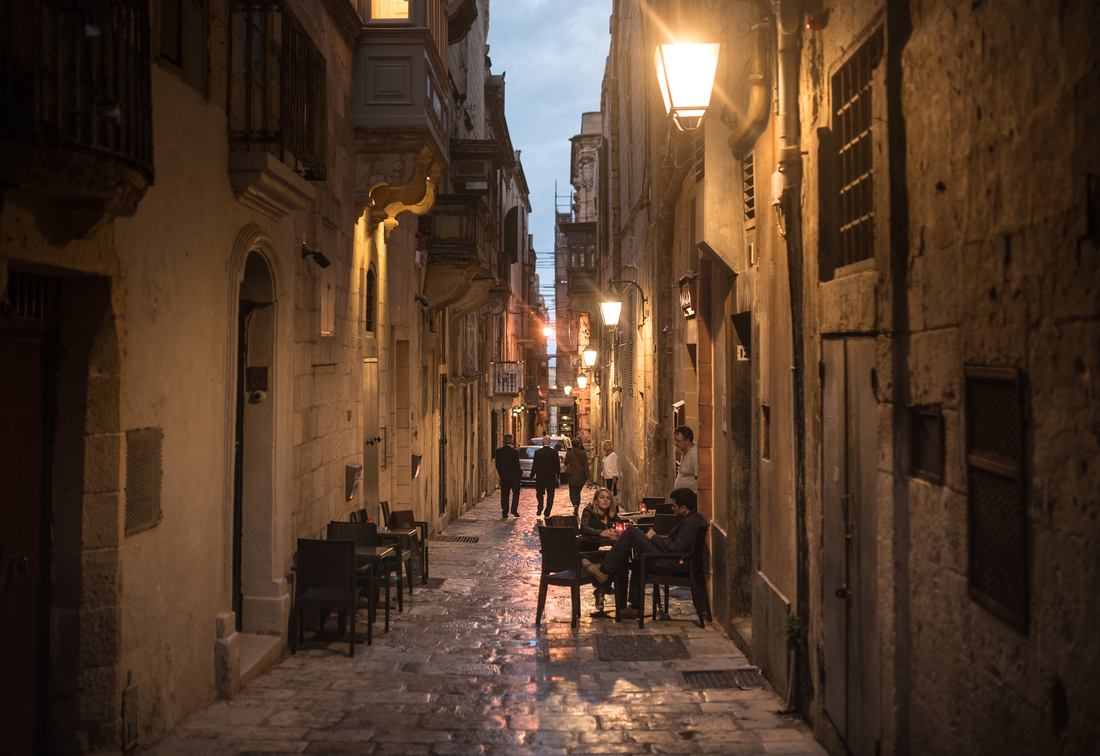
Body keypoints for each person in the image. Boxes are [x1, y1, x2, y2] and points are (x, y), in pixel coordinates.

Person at [582, 488, 706, 619]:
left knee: (631, 532)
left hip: (670, 562)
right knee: (638, 560)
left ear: (684, 508)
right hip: (668, 557)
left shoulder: (691, 522)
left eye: (674, 506)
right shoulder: (691, 519)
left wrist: (655, 537)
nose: (672, 509)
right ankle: (635, 607)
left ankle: (604, 571)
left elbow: (676, 548)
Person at [578, 487, 620, 612]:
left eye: (608, 498)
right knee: (613, 563)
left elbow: (619, 526)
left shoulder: (611, 514)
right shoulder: (589, 511)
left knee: (618, 559)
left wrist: (616, 532)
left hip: (602, 551)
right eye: (602, 497)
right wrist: (600, 532)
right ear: (596, 501)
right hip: (588, 551)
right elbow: (584, 528)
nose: (605, 500)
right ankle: (602, 588)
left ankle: (600, 590)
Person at [531, 435, 561, 517]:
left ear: (543, 442)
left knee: (539, 494)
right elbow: (557, 466)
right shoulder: (554, 452)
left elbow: (534, 465)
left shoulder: (537, 452)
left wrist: (532, 475)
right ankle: (547, 511)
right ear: (550, 442)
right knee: (550, 496)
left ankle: (540, 506)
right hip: (551, 478)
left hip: (540, 477)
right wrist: (558, 475)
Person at [494, 434, 521, 518]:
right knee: (516, 493)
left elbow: (497, 465)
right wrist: (519, 473)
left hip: (504, 476)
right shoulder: (514, 452)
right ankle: (514, 510)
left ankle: (505, 511)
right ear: (511, 440)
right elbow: (517, 465)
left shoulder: (499, 451)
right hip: (514, 477)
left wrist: (501, 474)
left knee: (504, 495)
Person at [563, 437, 590, 518]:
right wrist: (588, 476)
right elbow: (586, 465)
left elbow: (565, 463)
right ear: (579, 444)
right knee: (578, 492)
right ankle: (576, 507)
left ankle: (575, 505)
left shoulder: (569, 453)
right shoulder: (583, 453)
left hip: (572, 475)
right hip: (581, 475)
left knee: (572, 492)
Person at [671, 425, 698, 493]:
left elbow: (699, 479)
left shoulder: (694, 455)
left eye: (678, 441)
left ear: (687, 441)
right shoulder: (684, 451)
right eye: (675, 440)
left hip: (691, 497)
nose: (675, 443)